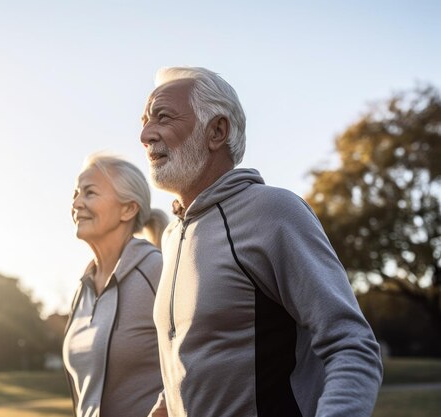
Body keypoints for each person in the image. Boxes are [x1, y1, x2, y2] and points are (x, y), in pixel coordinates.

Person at [140, 67, 383, 417]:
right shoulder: (172, 234)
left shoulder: (273, 211)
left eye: (162, 117)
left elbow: (352, 346)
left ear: (217, 131)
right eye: (145, 120)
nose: (145, 134)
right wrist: (165, 407)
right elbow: (197, 358)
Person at [63, 152, 168, 417]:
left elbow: (198, 358)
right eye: (76, 193)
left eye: (89, 193)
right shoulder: (81, 289)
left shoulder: (158, 271)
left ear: (128, 209)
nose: (76, 203)